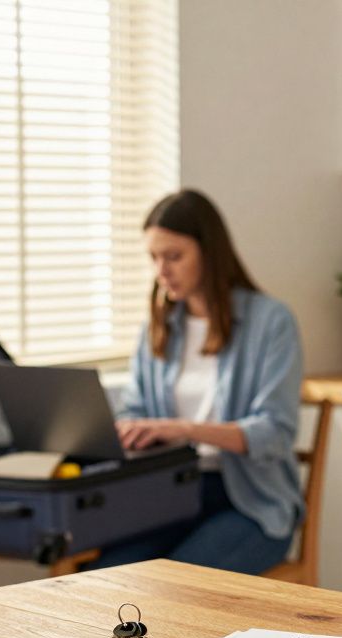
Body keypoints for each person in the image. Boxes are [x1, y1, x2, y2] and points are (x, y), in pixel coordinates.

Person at [90, 189, 304, 574]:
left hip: (250, 500)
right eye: (154, 258)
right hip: (170, 496)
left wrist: (186, 429)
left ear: (210, 252)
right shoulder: (158, 326)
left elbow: (275, 432)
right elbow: (137, 409)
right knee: (104, 577)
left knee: (176, 585)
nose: (162, 271)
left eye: (174, 256)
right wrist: (131, 430)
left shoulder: (271, 322)